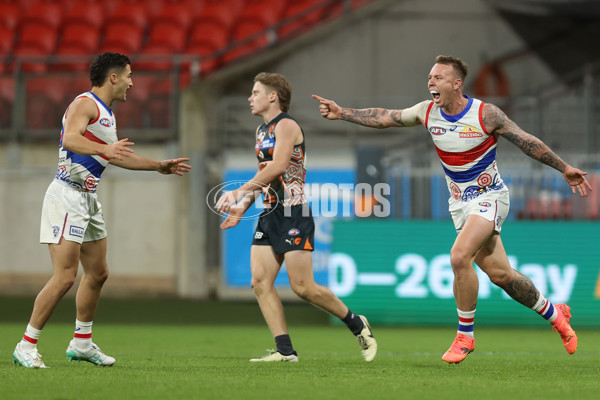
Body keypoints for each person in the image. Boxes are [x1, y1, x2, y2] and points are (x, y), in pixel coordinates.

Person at [312, 55, 592, 364]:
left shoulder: (486, 114)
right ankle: (557, 315)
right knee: (501, 275)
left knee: (459, 256)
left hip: (491, 196)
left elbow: (526, 141)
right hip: (459, 204)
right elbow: (385, 117)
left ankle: (465, 336)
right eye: (429, 77)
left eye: (438, 78)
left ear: (456, 84)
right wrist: (342, 113)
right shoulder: (426, 111)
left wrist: (563, 167)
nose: (430, 82)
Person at [12, 52, 192, 368]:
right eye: (128, 76)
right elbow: (70, 139)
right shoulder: (85, 104)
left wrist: (157, 166)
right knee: (65, 277)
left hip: (87, 199)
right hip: (66, 195)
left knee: (98, 272)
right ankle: (26, 345)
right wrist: (104, 148)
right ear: (113, 77)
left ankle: (81, 342)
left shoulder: (107, 113)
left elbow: (117, 157)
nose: (132, 83)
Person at [215, 72, 377, 362]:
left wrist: (238, 193)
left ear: (273, 96)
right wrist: (244, 206)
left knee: (303, 288)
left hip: (294, 212)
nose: (250, 98)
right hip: (269, 213)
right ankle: (285, 351)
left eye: (255, 92)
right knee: (260, 282)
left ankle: (356, 322)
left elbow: (278, 167)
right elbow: (263, 174)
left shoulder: (286, 126)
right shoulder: (261, 131)